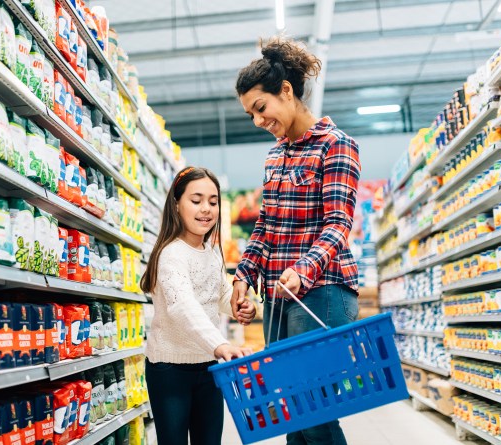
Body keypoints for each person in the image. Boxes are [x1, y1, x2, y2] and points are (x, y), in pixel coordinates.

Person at [231, 36, 362, 445]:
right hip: (280, 297)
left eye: (260, 108)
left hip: (322, 291)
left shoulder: (336, 145)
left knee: (316, 412)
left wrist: (303, 269)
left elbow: (338, 224)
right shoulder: (275, 156)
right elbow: (266, 226)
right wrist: (242, 276)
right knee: (290, 412)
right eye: (251, 113)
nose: (258, 121)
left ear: (285, 91)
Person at [141, 166, 257, 445]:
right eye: (196, 200)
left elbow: (217, 294)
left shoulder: (211, 251)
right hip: (170, 369)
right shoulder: (171, 255)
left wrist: (240, 306)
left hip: (208, 367)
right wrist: (220, 345)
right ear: (177, 204)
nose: (206, 209)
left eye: (213, 202)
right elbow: (183, 306)